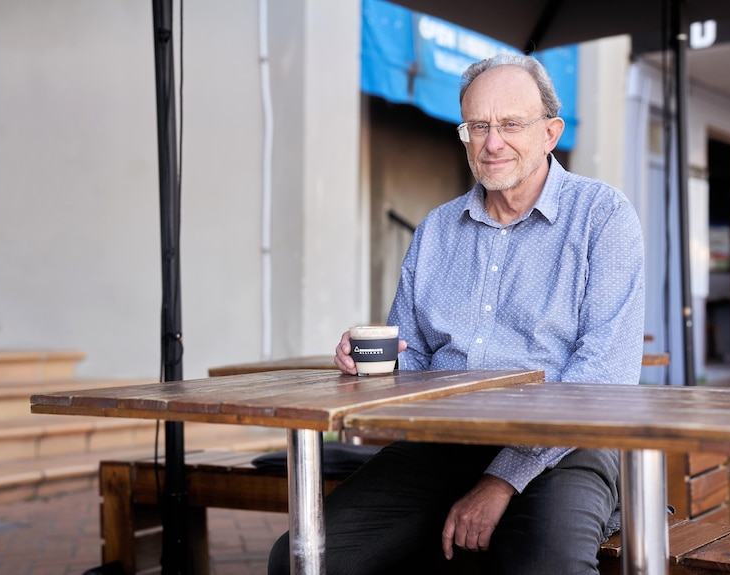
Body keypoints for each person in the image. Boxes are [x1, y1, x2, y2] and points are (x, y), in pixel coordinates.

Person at [269, 52, 645, 575]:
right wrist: (369, 366)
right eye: (478, 126)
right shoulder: (438, 230)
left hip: (568, 445)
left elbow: (604, 377)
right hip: (443, 443)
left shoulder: (602, 216)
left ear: (551, 133)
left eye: (512, 124)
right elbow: (414, 359)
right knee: (303, 559)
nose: (493, 143)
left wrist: (501, 479)